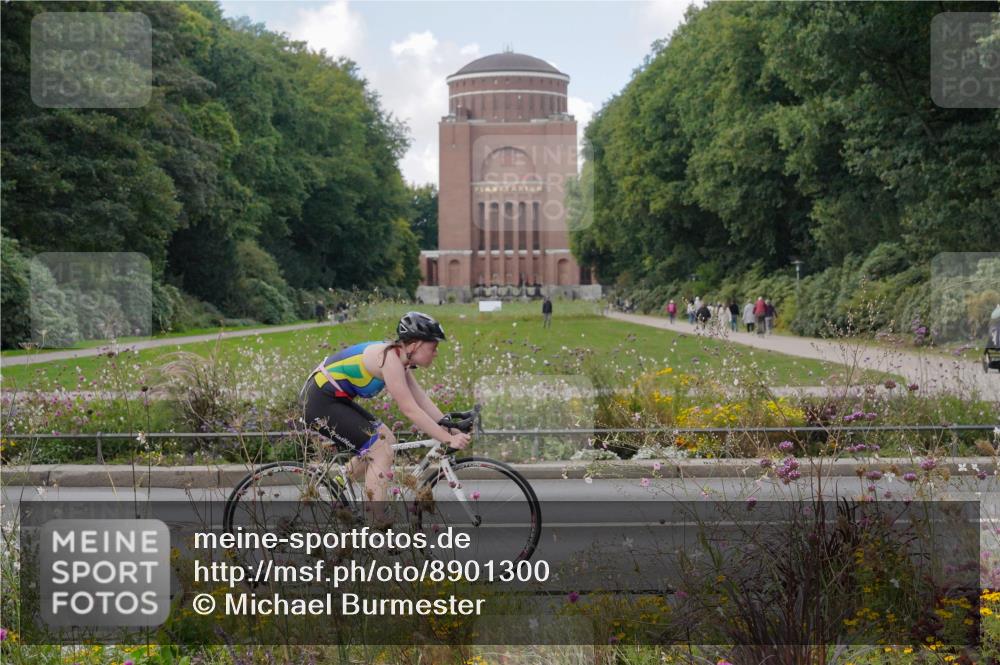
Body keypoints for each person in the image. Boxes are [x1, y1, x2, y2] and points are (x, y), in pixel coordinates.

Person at [301, 312, 470, 525]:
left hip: (336, 399)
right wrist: (447, 439)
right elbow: (410, 409)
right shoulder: (389, 360)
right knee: (380, 451)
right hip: (319, 402)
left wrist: (451, 429)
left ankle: (339, 483)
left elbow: (422, 402)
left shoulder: (401, 361)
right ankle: (376, 523)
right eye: (433, 347)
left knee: (387, 440)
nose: (436, 353)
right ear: (416, 345)